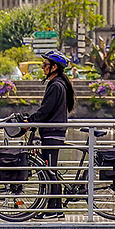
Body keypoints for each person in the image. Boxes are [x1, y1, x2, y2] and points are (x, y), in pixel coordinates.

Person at [28, 50, 75, 218]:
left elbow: (46, 110)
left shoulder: (56, 85)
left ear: (55, 67)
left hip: (52, 134)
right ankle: (54, 208)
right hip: (54, 133)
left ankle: (53, 209)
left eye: (45, 65)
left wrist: (30, 121)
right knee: (50, 170)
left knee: (49, 171)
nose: (43, 67)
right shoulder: (59, 84)